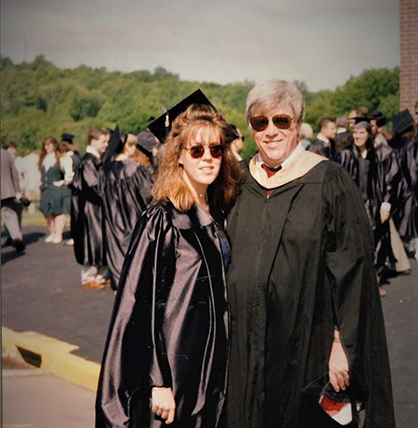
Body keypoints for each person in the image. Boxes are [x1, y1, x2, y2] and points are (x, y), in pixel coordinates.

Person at [226, 80, 395, 428]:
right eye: (260, 122)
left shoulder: (327, 181)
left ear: (298, 123)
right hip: (243, 348)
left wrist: (341, 346)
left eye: (281, 121)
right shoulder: (238, 181)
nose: (270, 131)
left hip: (307, 347)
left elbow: (352, 277)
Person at [96, 90, 241, 427]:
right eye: (197, 150)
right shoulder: (162, 219)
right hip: (173, 368)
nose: (207, 158)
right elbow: (139, 301)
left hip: (210, 367)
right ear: (179, 156)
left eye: (215, 149)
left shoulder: (217, 214)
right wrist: (157, 380)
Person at [99, 130, 154, 291]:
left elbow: (99, 193)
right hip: (134, 220)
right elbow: (148, 195)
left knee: (116, 259)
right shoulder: (137, 170)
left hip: (112, 223)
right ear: (128, 148)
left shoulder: (103, 171)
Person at [71, 129, 109, 290]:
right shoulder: (88, 162)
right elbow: (93, 187)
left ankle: (100, 275)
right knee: (91, 241)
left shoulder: (95, 159)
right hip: (90, 208)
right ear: (93, 141)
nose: (106, 144)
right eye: (103, 141)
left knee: (100, 240)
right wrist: (110, 194)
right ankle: (88, 277)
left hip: (96, 207)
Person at [38, 137, 72, 244]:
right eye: (45, 145)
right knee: (47, 212)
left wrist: (64, 182)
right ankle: (52, 232)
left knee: (58, 212)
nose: (46, 147)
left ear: (54, 145)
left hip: (57, 189)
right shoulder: (42, 159)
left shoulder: (59, 157)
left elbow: (68, 172)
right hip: (45, 188)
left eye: (49, 144)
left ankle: (58, 234)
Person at [1, 147, 25, 252]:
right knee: (9, 214)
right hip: (6, 190)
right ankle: (16, 238)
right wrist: (17, 190)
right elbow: (14, 172)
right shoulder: (6, 153)